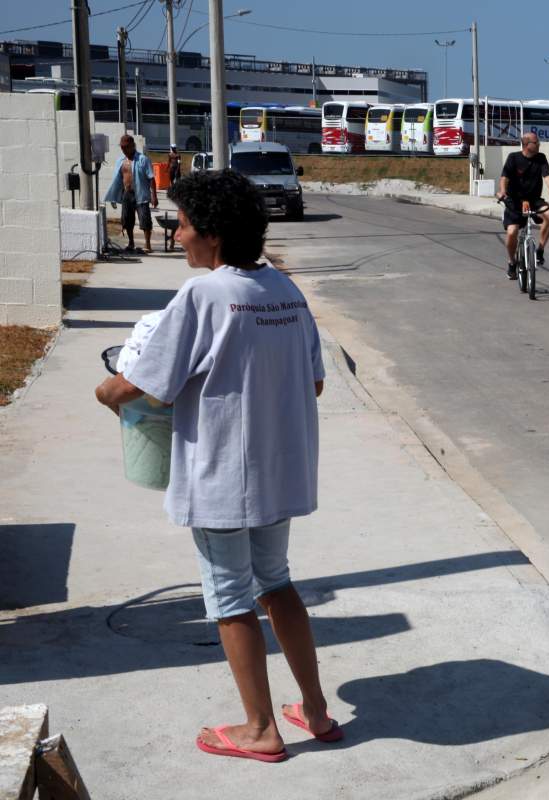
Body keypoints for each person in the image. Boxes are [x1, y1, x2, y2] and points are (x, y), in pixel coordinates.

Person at [94, 169, 340, 763]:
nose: (176, 237)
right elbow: (314, 383)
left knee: (229, 596)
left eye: (181, 225)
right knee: (276, 583)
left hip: (223, 473)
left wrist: (105, 393)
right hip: (280, 468)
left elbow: (145, 383)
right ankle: (314, 711)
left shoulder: (203, 296)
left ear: (212, 234)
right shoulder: (285, 289)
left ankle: (259, 729)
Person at [497, 131, 549, 278]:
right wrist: (503, 192)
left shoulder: (541, 158)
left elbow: (547, 176)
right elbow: (504, 177)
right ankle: (512, 262)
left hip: (534, 200)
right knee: (512, 232)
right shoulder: (513, 158)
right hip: (514, 201)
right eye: (536, 142)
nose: (539, 144)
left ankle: (540, 250)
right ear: (527, 145)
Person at [103, 134, 158, 253]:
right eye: (122, 147)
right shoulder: (120, 161)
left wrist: (154, 195)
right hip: (126, 194)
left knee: (145, 219)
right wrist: (114, 197)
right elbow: (116, 180)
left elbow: (151, 178)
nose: (124, 149)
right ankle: (131, 242)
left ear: (133, 145)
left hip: (141, 194)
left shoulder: (143, 159)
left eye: (126, 146)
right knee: (127, 220)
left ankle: (147, 244)